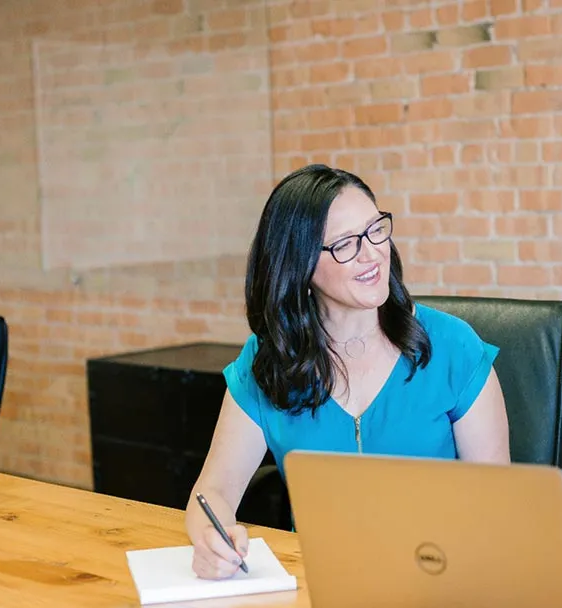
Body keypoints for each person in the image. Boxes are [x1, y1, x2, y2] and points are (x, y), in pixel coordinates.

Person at [186, 164, 510, 579]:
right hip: (318, 586)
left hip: (441, 578)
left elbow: (497, 503)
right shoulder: (268, 363)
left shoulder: (453, 347)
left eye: (376, 230)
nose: (373, 253)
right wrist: (211, 541)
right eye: (345, 244)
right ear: (299, 266)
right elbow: (212, 491)